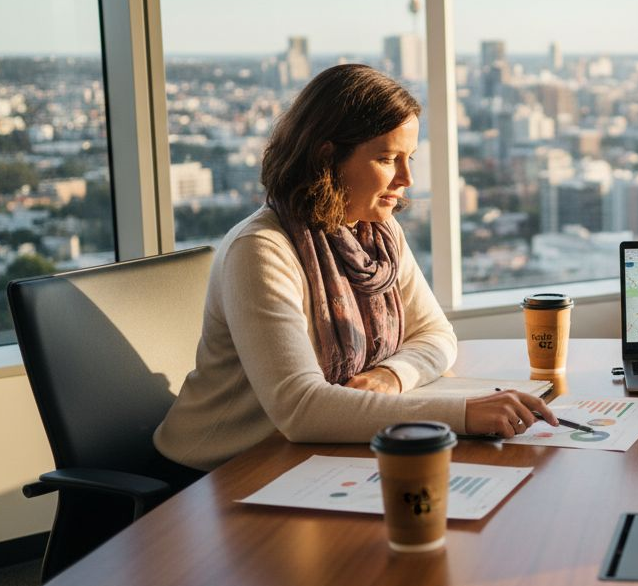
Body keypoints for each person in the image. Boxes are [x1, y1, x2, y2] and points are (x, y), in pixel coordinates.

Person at [155, 64, 556, 472]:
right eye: (387, 159)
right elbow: (302, 408)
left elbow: (436, 334)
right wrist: (465, 414)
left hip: (308, 457)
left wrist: (392, 376)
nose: (407, 179)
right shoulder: (260, 250)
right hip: (214, 473)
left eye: (409, 158)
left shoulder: (378, 233)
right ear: (327, 158)